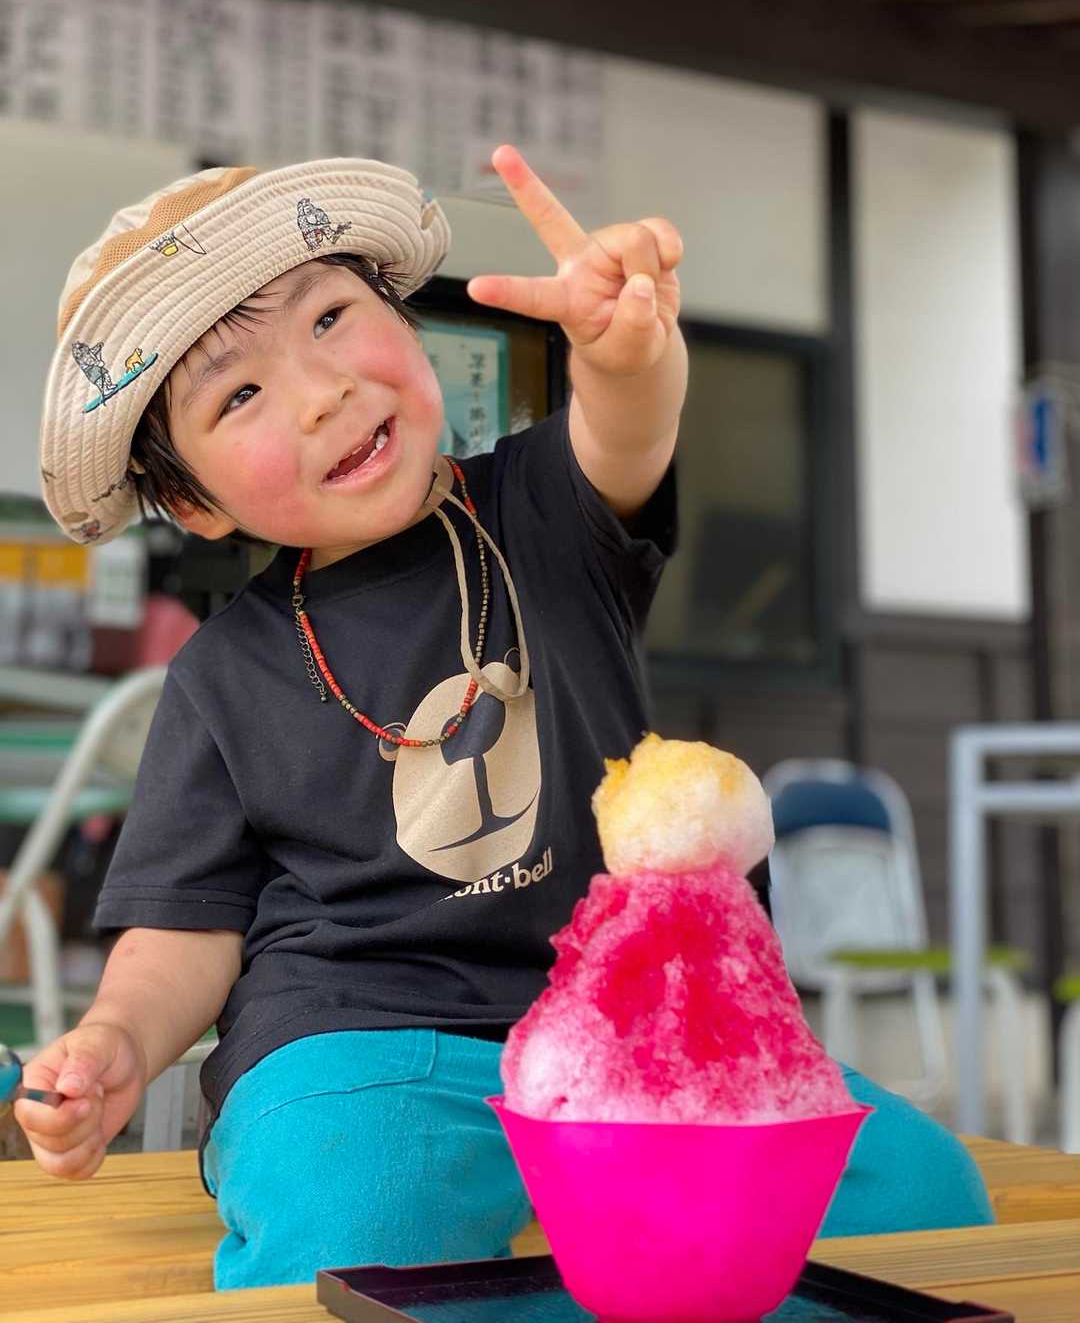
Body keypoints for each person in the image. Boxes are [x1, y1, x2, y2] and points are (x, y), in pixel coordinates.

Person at [18, 147, 990, 1289]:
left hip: (641, 1024)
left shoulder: (544, 508)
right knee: (354, 1210)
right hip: (359, 1042)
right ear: (194, 501)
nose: (322, 391)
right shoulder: (220, 675)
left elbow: (626, 430)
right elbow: (183, 927)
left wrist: (625, 356)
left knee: (919, 1199)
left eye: (330, 318)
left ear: (404, 316)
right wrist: (120, 1039)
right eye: (240, 395)